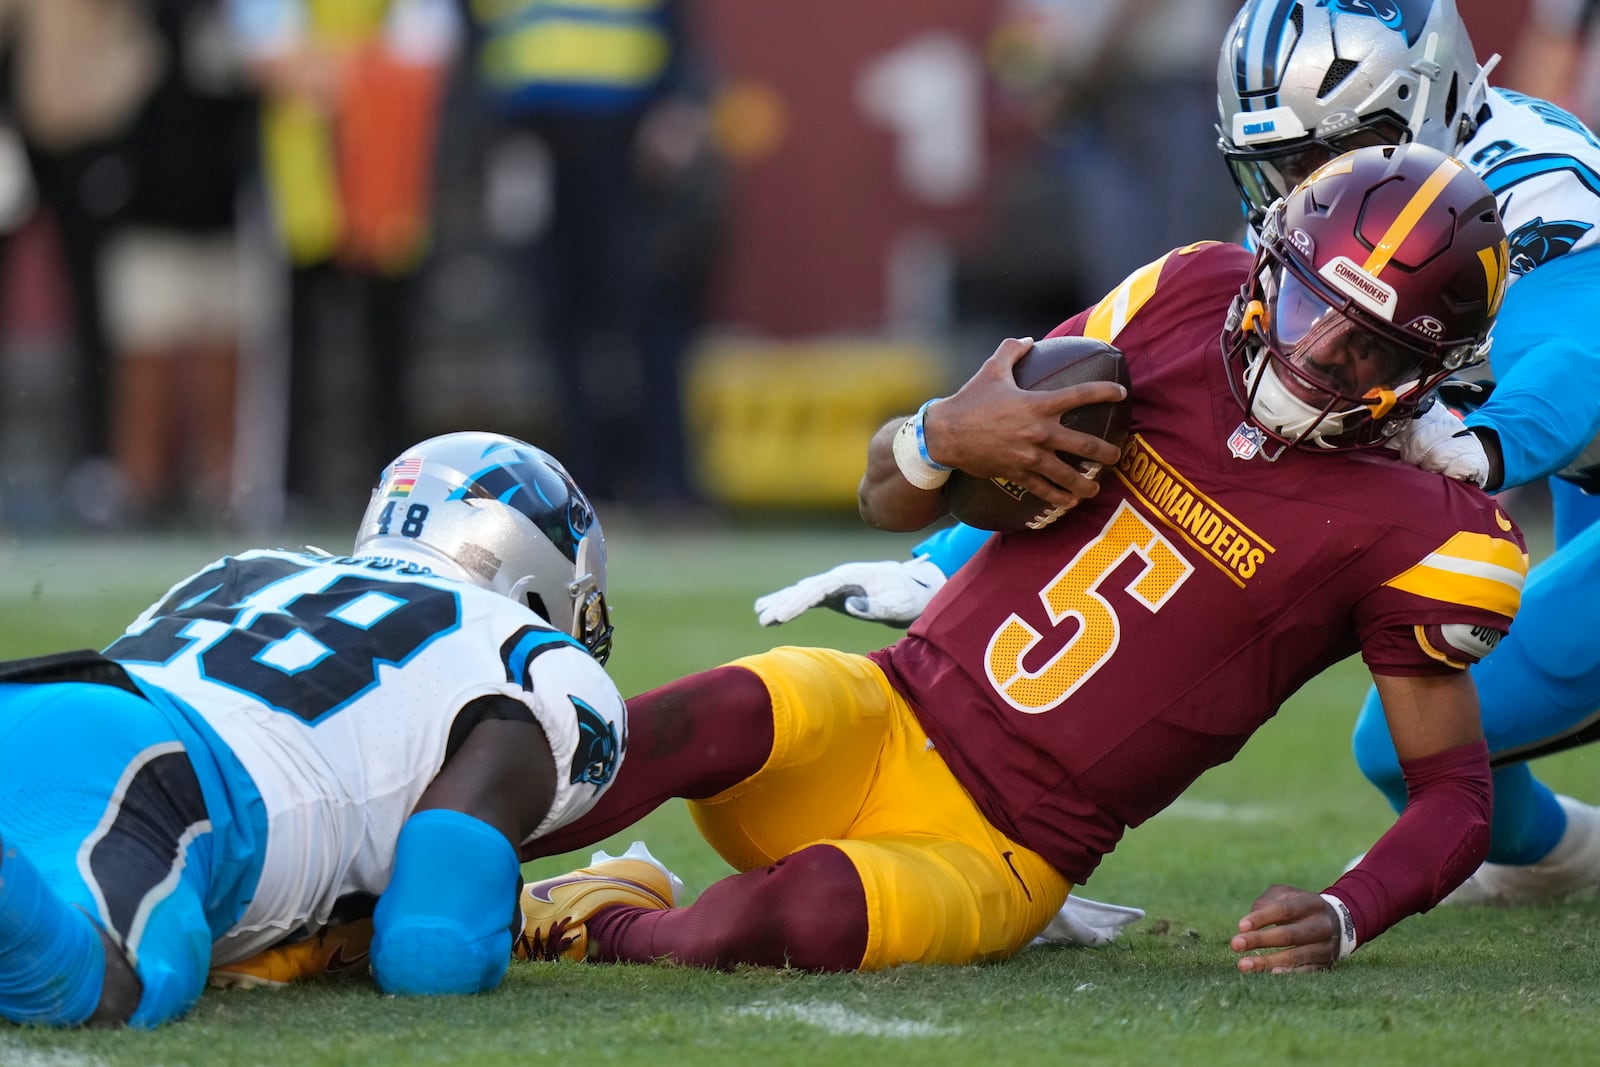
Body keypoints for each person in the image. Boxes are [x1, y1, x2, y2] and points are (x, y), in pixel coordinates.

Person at [510, 143, 1525, 975]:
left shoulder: (1425, 530)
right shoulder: (1183, 296)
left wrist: (1349, 910)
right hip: (883, 709)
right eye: (1310, 311)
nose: (1313, 359)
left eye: (1367, 350)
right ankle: (389, 864)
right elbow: (882, 496)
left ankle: (594, 913)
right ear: (1268, 267)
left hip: (1002, 845)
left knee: (798, 916)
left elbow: (1454, 795)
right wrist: (934, 438)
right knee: (687, 719)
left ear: (1427, 373)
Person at [763, 0, 1600, 908]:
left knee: (1408, 742)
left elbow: (1576, 353)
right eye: (1272, 168)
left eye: (1314, 160)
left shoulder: (1539, 189)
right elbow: (1174, 401)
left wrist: (1483, 445)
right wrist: (944, 562)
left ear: (1422, 103)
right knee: (1407, 757)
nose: (1297, 193)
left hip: (1570, 448)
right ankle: (1570, 857)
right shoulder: (1327, 209)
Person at [0, 431, 627, 1027]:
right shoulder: (533, 664)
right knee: (103, 986)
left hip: (50, 699)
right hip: (172, 782)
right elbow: (432, 949)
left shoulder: (257, 568)